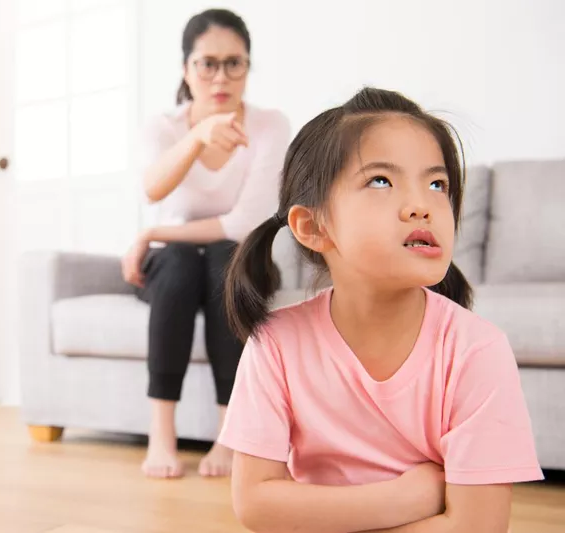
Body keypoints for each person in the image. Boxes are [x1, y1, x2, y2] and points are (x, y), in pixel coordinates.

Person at [218, 86, 544, 532]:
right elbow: (256, 504)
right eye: (381, 181)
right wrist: (409, 496)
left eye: (437, 184)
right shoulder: (275, 343)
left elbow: (478, 527)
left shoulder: (477, 350)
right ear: (313, 226)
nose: (421, 206)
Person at [121, 8, 291, 479]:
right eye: (207, 63)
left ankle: (228, 435)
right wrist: (198, 135)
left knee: (223, 260)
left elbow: (242, 224)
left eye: (234, 63)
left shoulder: (271, 126)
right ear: (186, 70)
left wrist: (151, 232)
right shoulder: (162, 128)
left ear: (248, 67)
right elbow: (152, 189)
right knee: (177, 265)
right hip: (170, 268)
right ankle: (161, 432)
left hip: (236, 259)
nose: (221, 76)